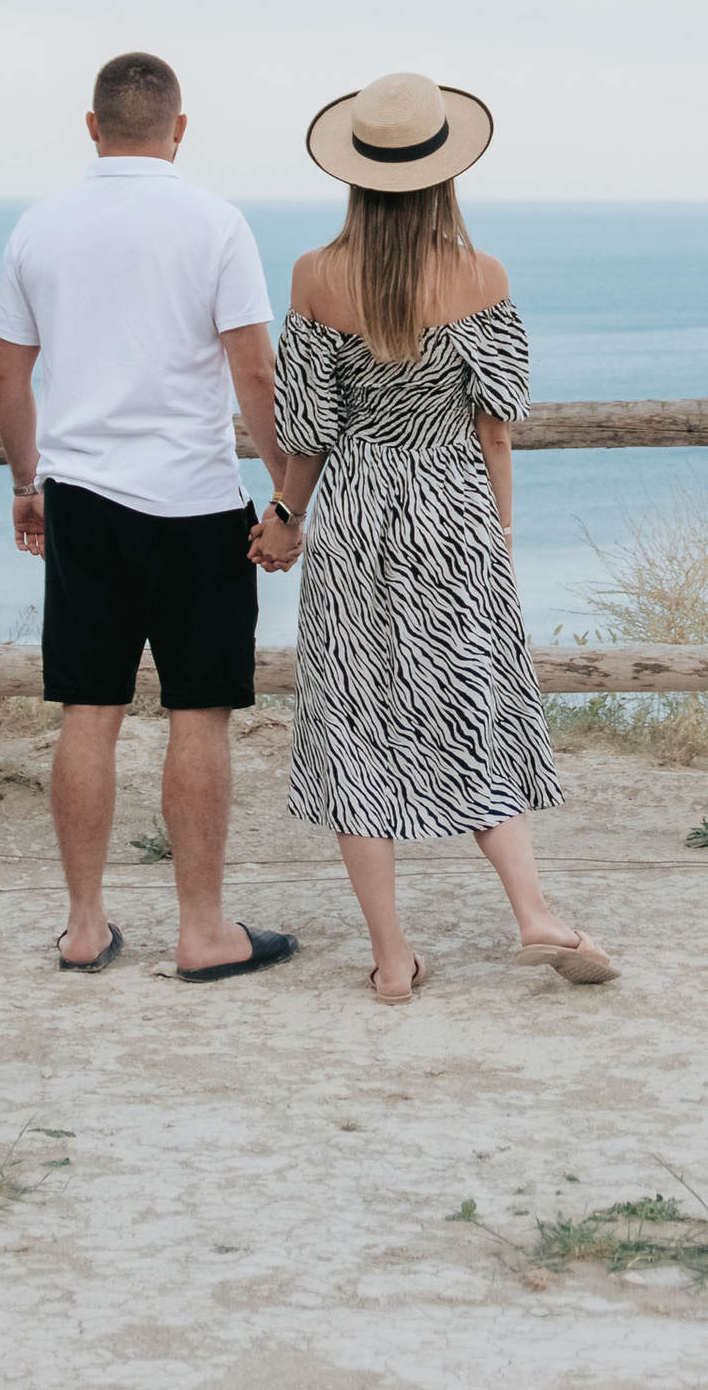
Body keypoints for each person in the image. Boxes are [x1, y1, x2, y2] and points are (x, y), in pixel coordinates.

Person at [256, 70, 616, 1002]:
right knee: (473, 706)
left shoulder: (313, 277)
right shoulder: (481, 276)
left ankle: (390, 960)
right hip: (451, 506)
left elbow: (308, 431)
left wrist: (287, 518)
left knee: (354, 720)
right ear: (445, 172)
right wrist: (496, 534)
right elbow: (496, 426)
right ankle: (534, 913)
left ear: (356, 172)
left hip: (362, 512)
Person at [0, 50, 301, 982]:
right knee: (198, 715)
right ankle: (203, 932)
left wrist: (26, 483)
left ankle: (84, 926)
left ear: (91, 126)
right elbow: (255, 373)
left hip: (83, 501)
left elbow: (9, 375)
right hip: (195, 503)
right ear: (180, 128)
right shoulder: (215, 224)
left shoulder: (38, 228)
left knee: (91, 710)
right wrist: (285, 496)